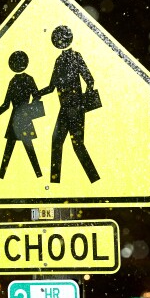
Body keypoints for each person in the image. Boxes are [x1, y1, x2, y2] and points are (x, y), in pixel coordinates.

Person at [38, 25, 100, 183]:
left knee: (76, 145)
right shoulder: (60, 60)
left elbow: (89, 80)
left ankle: (94, 179)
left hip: (74, 108)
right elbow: (52, 87)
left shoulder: (74, 57)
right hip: (66, 109)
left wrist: (82, 101)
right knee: (58, 142)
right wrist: (38, 93)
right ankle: (55, 182)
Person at [0, 50, 43, 179]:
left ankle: (1, 176)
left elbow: (6, 105)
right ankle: (38, 175)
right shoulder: (27, 79)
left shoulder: (14, 81)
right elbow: (36, 96)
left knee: (13, 148)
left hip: (16, 118)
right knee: (25, 148)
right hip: (23, 118)